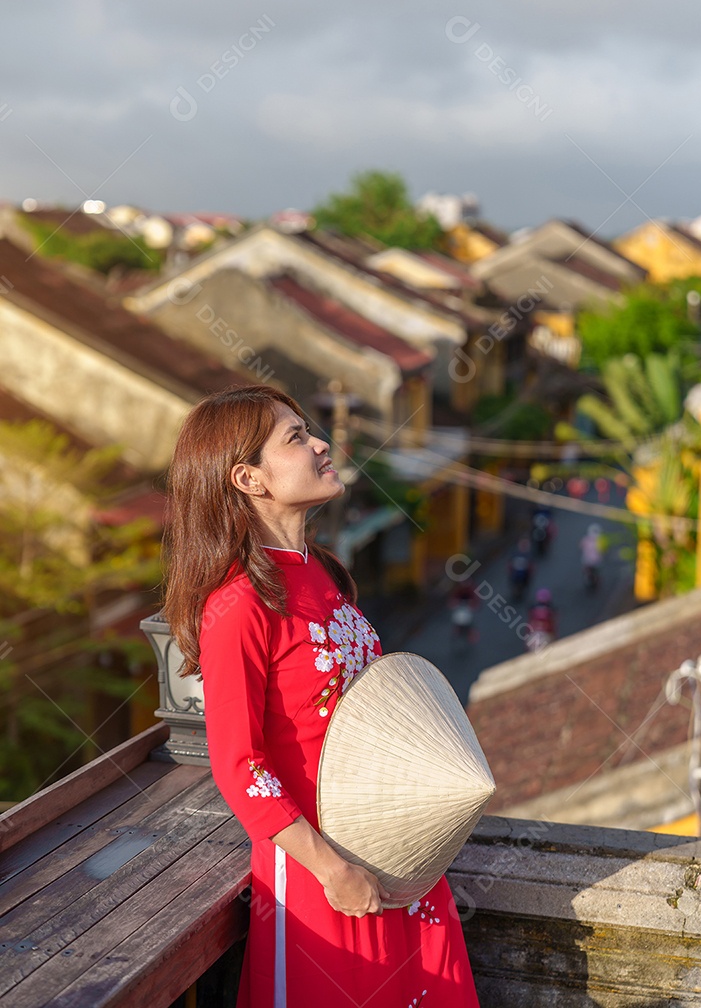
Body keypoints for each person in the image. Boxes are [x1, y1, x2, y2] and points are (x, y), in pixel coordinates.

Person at [163, 386, 480, 1008]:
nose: (320, 443)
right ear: (248, 478)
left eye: (308, 432)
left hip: (394, 854)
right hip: (322, 874)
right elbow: (239, 766)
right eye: (296, 437)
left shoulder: (323, 571)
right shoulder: (237, 606)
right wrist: (332, 869)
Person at [526, 587, 557, 653]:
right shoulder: (551, 611)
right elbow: (553, 626)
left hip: (533, 635)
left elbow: (529, 625)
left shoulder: (533, 609)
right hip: (545, 636)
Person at [579, 523, 604, 590]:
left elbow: (581, 546)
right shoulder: (600, 541)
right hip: (596, 561)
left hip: (587, 560)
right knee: (595, 571)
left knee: (587, 570)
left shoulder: (586, 539)